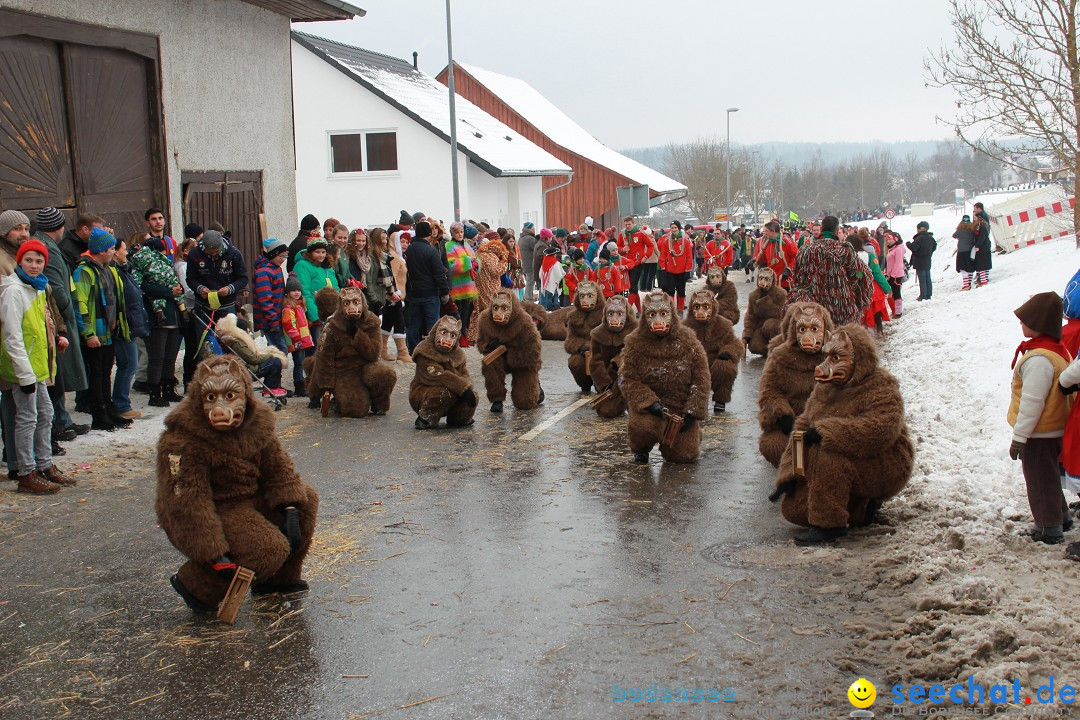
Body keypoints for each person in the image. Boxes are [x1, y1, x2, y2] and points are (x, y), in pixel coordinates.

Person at [0, 239, 74, 493]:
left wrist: (55, 340)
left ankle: (44, 465)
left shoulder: (38, 288)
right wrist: (24, 374)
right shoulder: (14, 291)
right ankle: (26, 473)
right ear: (19, 261)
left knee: (46, 414)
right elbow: (12, 336)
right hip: (23, 369)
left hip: (39, 366)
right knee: (27, 418)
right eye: (28, 260)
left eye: (39, 261)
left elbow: (40, 328)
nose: (34, 265)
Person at [1009, 292, 1073, 546]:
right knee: (1049, 476)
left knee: (1039, 479)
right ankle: (1061, 516)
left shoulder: (1038, 360)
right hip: (1054, 428)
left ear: (1040, 323)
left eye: (1026, 319)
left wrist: (1020, 437)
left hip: (1039, 432)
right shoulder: (1055, 350)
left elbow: (1032, 403)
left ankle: (1048, 527)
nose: (1021, 323)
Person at [29, 208, 88, 444]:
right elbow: (57, 286)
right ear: (58, 226)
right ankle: (58, 423)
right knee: (57, 374)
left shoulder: (49, 246)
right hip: (58, 318)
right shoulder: (48, 250)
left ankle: (62, 419)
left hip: (58, 317)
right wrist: (66, 315)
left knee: (59, 375)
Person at [72, 228, 132, 431]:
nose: (113, 252)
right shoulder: (84, 271)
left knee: (106, 371)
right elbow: (80, 304)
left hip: (108, 330)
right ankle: (99, 414)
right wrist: (88, 333)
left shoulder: (107, 268)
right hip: (95, 332)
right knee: (97, 373)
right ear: (101, 250)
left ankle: (109, 409)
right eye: (111, 248)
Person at [786, 215, 873, 326]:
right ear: (837, 231)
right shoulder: (845, 250)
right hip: (840, 311)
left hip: (811, 311)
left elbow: (797, 278)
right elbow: (859, 275)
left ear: (821, 230)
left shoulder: (805, 251)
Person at [132, 234, 187, 407]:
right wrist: (169, 291)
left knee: (170, 356)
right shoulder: (141, 267)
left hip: (173, 315)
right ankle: (155, 393)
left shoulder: (167, 266)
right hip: (156, 318)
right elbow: (142, 288)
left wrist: (177, 291)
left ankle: (168, 389)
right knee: (157, 357)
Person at [185, 229, 249, 362]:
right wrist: (200, 288)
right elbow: (190, 278)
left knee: (230, 342)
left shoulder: (234, 254)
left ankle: (231, 371)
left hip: (227, 307)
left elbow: (243, 278)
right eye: (210, 252)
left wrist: (230, 288)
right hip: (203, 307)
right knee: (205, 345)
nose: (213, 254)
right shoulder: (195, 254)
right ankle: (207, 374)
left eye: (216, 251)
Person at [112, 237, 150, 416]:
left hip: (129, 323)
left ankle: (121, 404)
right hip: (123, 325)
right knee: (128, 364)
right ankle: (121, 405)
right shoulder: (115, 272)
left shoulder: (123, 270)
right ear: (114, 251)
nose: (126, 253)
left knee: (128, 364)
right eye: (123, 249)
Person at [404, 221, 450, 353]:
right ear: (429, 235)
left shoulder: (409, 249)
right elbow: (439, 273)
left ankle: (412, 349)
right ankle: (432, 351)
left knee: (413, 325)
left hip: (413, 293)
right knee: (432, 325)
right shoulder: (431, 251)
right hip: (430, 293)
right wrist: (445, 291)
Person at [292, 235, 339, 346]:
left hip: (330, 314)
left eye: (323, 252)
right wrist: (315, 315)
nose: (321, 255)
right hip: (315, 315)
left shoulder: (327, 267)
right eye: (317, 252)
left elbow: (336, 288)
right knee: (319, 346)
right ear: (310, 252)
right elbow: (305, 292)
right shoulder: (303, 266)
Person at [253, 238, 289, 357]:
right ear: (273, 254)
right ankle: (272, 374)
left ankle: (276, 374)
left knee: (279, 350)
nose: (283, 260)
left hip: (277, 318)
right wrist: (273, 321)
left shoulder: (276, 269)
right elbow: (265, 300)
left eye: (285, 257)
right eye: (281, 256)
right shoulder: (264, 272)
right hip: (269, 321)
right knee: (278, 351)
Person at [445, 223, 478, 347]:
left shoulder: (466, 245)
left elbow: (475, 258)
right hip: (457, 286)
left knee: (466, 313)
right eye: (457, 232)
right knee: (456, 314)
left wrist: (476, 264)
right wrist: (468, 262)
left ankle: (464, 335)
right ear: (452, 233)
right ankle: (457, 336)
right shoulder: (449, 246)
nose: (460, 234)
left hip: (468, 286)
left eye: (461, 232)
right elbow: (450, 265)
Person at [281, 276, 315, 396]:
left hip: (303, 339)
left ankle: (304, 384)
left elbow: (302, 321)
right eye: (294, 290)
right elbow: (289, 323)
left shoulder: (300, 305)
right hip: (297, 340)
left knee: (302, 362)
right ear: (288, 292)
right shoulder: (289, 308)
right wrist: (296, 337)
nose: (297, 293)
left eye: (298, 290)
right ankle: (299, 386)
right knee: (299, 363)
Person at [754, 221, 799, 290]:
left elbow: (796, 257)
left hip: (785, 280)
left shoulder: (786, 240)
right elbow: (764, 259)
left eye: (766, 231)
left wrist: (788, 269)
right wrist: (754, 261)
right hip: (771, 280)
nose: (764, 233)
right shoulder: (766, 242)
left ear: (773, 231)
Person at [906, 221, 937, 301]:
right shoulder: (930, 238)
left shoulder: (919, 238)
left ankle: (923, 295)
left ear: (920, 229)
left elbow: (914, 247)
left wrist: (908, 244)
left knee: (922, 279)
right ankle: (928, 294)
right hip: (927, 260)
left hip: (919, 261)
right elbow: (934, 246)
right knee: (927, 278)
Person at [885, 232, 907, 317]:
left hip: (896, 275)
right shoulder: (892, 248)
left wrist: (893, 275)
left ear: (895, 239)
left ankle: (898, 312)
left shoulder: (898, 249)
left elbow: (898, 263)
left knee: (896, 292)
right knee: (892, 293)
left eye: (890, 239)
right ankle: (895, 310)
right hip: (891, 275)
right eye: (887, 240)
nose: (888, 241)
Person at [953, 215, 977, 291]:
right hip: (970, 250)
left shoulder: (960, 229)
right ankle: (969, 283)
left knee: (963, 268)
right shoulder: (972, 229)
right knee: (969, 267)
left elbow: (954, 235)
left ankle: (966, 285)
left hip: (962, 251)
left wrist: (959, 238)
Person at [972, 202, 993, 287]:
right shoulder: (983, 220)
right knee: (983, 263)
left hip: (983, 245)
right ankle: (981, 277)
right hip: (984, 243)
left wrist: (977, 244)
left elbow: (982, 235)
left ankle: (982, 279)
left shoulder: (982, 224)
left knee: (982, 263)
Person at [538, 244, 565, 311]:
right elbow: (559, 274)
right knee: (555, 295)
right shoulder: (556, 263)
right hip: (554, 283)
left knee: (548, 296)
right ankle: (556, 306)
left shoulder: (544, 263)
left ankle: (548, 307)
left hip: (546, 284)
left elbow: (540, 274)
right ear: (554, 254)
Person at [326, 223, 351, 288]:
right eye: (340, 237)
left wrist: (353, 280)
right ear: (333, 237)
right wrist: (348, 281)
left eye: (345, 238)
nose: (342, 240)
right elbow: (334, 273)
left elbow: (346, 271)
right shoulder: (330, 251)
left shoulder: (343, 251)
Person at [519, 223, 538, 299]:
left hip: (525, 263)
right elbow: (537, 248)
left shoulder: (522, 238)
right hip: (530, 264)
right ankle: (528, 298)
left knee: (529, 281)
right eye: (533, 228)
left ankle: (528, 297)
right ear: (531, 229)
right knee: (530, 283)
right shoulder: (530, 239)